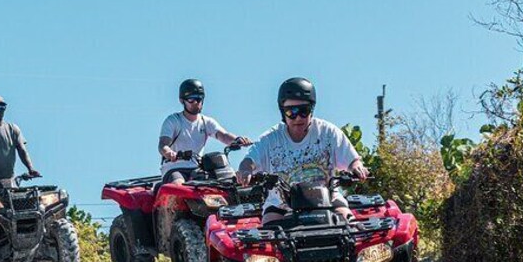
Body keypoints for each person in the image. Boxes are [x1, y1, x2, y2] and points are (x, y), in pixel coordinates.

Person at [237, 77, 369, 224]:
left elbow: (352, 160)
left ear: (312, 109)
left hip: (328, 200)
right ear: (282, 112)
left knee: (351, 226)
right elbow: (249, 161)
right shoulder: (269, 139)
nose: (297, 117)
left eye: (303, 111)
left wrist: (357, 167)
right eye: (291, 112)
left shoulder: (328, 132)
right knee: (269, 237)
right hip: (281, 206)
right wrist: (245, 170)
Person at [158, 79, 252, 185]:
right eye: (192, 99)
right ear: (182, 100)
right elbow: (163, 145)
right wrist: (170, 153)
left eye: (199, 99)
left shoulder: (206, 122)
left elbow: (224, 135)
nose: (196, 103)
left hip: (196, 169)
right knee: (178, 186)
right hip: (174, 169)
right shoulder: (173, 121)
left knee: (223, 182)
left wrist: (237, 140)